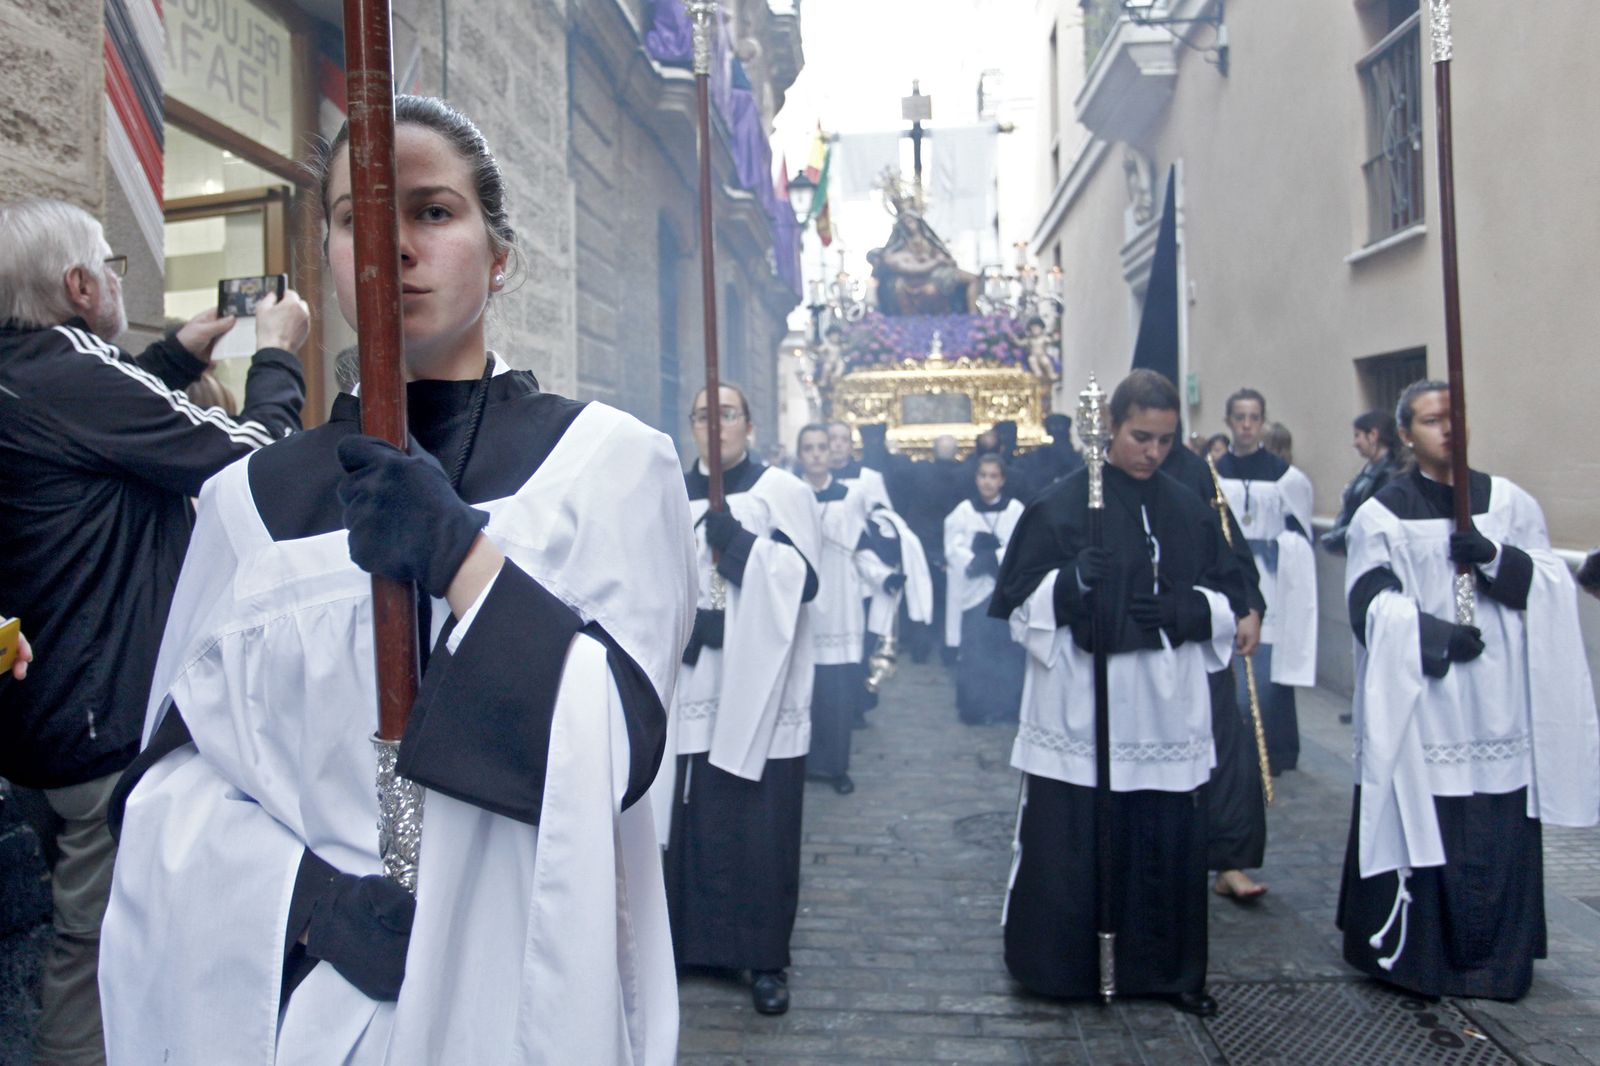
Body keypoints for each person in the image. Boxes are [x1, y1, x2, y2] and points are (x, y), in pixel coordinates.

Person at [99, 95, 692, 1064]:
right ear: (329, 250)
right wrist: (309, 899)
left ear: (499, 255)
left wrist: (463, 562)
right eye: (356, 220)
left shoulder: (609, 464)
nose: (393, 248)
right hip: (314, 1002)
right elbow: (174, 783)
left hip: (521, 981)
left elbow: (618, 750)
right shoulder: (248, 500)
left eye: (432, 212)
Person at [0, 196, 308, 1065]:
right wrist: (278, 357)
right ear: (78, 284)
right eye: (113, 265)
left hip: (38, 718)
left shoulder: (25, 374)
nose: (116, 281)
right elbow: (256, 458)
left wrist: (178, 354)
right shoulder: (74, 370)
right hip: (101, 728)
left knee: (82, 924)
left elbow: (97, 438)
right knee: (93, 950)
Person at [991, 370, 1243, 1016]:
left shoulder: (1188, 508)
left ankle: (1167, 973)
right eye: (1140, 437)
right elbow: (1018, 606)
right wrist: (1070, 584)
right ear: (1110, 428)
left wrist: (1188, 611)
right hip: (1082, 708)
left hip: (1163, 709)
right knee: (1075, 845)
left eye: (1164, 440)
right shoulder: (1059, 505)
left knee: (1164, 845)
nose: (1152, 453)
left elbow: (1231, 598)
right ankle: (1064, 972)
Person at [1337, 379, 1597, 1000]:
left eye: (1454, 417)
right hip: (1427, 699)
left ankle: (1495, 960)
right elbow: (1365, 599)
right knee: (1431, 821)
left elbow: (1549, 583)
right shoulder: (1383, 511)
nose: (1447, 430)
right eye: (1431, 420)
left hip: (1499, 698)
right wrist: (1431, 636)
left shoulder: (1507, 502)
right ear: (1405, 433)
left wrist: (1496, 558)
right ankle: (1420, 963)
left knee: (1496, 823)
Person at [657, 384, 820, 1017]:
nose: (715, 425)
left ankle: (763, 957)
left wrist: (747, 546)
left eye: (727, 414)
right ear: (692, 427)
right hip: (688, 676)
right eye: (703, 415)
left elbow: (804, 582)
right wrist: (691, 627)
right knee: (685, 815)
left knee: (759, 823)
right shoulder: (668, 491)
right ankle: (683, 944)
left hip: (760, 686)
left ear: (750, 425)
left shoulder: (784, 493)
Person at [1150, 384, 1269, 902]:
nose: (1153, 447)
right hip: (1143, 633)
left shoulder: (1194, 471)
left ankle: (1230, 860)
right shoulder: (1104, 472)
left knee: (1225, 736)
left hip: (1204, 625)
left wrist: (1249, 607)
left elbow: (1228, 542)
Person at [1215, 388, 1316, 775]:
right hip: (1230, 579)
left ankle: (1274, 750)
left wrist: (1277, 544)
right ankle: (1233, 748)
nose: (1246, 425)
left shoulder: (1286, 478)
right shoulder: (1213, 474)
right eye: (1239, 417)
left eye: (1253, 418)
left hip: (1271, 580)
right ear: (1228, 422)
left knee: (1269, 666)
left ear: (1262, 422)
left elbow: (1300, 533)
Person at [799, 423, 899, 790]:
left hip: (841, 606)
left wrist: (884, 577)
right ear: (800, 455)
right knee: (805, 691)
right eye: (808, 448)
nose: (816, 454)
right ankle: (804, 763)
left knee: (839, 694)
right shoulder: (791, 496)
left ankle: (836, 767)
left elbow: (861, 550)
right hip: (805, 608)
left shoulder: (850, 497)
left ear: (832, 453)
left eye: (822, 447)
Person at [858, 428, 968, 665]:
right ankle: (947, 648)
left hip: (922, 542)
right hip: (948, 543)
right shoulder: (963, 476)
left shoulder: (919, 472)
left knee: (918, 596)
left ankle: (920, 647)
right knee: (945, 598)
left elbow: (900, 495)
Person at [943, 454, 1026, 724]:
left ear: (1002, 480)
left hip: (1003, 589)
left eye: (993, 476)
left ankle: (1006, 705)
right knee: (977, 649)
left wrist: (996, 558)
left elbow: (1022, 542)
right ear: (976, 478)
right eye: (983, 476)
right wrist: (974, 560)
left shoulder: (1015, 510)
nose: (988, 482)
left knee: (1005, 648)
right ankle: (975, 708)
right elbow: (953, 547)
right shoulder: (964, 511)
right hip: (975, 592)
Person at [1321, 410, 1403, 555]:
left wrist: (1336, 538)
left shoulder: (1388, 474)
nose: (1355, 443)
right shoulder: (1369, 470)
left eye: (1357, 435)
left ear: (1373, 435)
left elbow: (1374, 519)